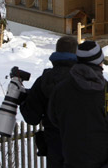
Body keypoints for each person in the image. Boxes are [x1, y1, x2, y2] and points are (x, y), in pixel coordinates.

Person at [48, 40, 108, 168]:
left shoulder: (60, 90)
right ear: (100, 62)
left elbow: (54, 119)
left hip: (72, 162)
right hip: (107, 163)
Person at [19, 36, 78, 168]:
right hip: (84, 145)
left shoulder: (43, 81)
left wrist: (24, 101)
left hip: (55, 145)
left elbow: (31, 117)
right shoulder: (85, 79)